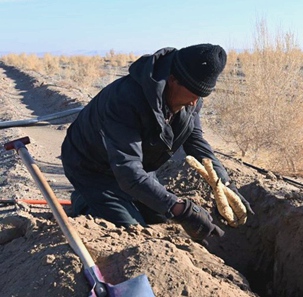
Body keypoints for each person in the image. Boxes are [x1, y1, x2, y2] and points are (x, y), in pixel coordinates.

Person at [61, 43, 253, 243]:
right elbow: (128, 171)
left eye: (201, 95)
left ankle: (118, 202)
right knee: (132, 231)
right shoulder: (125, 100)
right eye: (194, 93)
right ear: (173, 80)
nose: (195, 103)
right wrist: (182, 209)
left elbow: (195, 140)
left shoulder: (192, 93)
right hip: (92, 167)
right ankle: (85, 199)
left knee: (160, 218)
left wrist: (224, 185)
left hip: (137, 164)